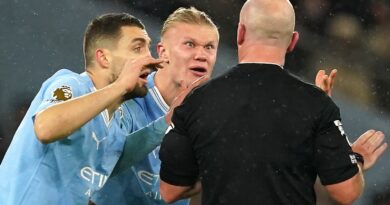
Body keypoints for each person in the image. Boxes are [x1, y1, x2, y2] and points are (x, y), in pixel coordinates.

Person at [158, 1, 388, 205]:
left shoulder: (198, 100)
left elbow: (170, 190)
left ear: (240, 33)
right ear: (293, 41)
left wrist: (220, 168)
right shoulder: (316, 104)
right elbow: (346, 193)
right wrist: (355, 159)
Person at [0, 13, 173, 205]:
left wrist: (170, 118)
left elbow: (88, 184)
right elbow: (45, 127)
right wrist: (120, 85)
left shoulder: (118, 122)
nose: (148, 58)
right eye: (137, 48)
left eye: (148, 49)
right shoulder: (72, 84)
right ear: (104, 58)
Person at [91, 7, 218, 205]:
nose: (201, 55)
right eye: (189, 44)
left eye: (209, 47)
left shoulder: (211, 116)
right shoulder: (127, 95)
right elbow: (99, 166)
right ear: (163, 52)